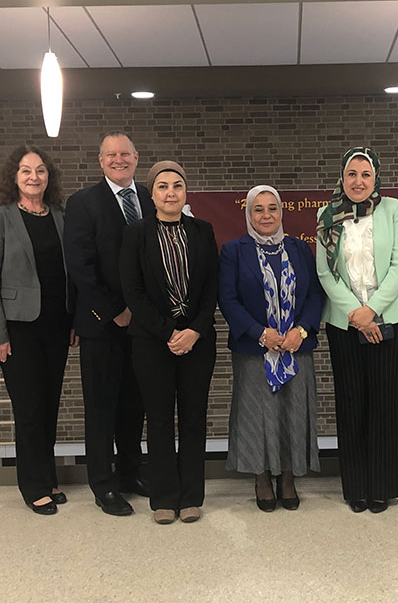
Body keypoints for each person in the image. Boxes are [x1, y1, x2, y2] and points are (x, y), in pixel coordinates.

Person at [315, 146, 398, 514]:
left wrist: (372, 311)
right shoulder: (326, 215)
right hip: (345, 323)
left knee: (385, 403)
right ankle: (356, 487)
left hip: (393, 316)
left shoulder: (393, 209)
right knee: (351, 402)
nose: (358, 181)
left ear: (376, 178)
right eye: (351, 174)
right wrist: (356, 314)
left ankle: (382, 487)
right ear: (342, 178)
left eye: (365, 175)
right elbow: (326, 273)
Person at [0, 144, 77, 515]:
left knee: (49, 405)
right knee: (29, 408)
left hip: (57, 325)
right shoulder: (0, 219)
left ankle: (47, 478)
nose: (33, 176)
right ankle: (32, 486)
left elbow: (72, 274)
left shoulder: (62, 217)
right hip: (18, 329)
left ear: (49, 177)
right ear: (14, 177)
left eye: (40, 170)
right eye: (25, 170)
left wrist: (75, 320)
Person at [120, 161, 219, 524]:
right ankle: (164, 497)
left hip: (197, 340)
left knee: (193, 419)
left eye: (177, 186)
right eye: (163, 187)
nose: (171, 192)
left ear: (185, 192)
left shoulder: (203, 231)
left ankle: (191, 496)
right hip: (152, 342)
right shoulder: (136, 233)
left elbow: (212, 287)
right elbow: (133, 291)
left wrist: (193, 330)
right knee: (159, 420)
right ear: (152, 194)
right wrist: (168, 333)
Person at [218, 185, 324, 513]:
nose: (266, 215)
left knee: (294, 411)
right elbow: (228, 298)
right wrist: (259, 333)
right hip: (254, 349)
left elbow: (315, 295)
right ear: (248, 214)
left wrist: (301, 331)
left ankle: (289, 477)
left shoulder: (299, 249)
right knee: (256, 415)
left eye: (272, 208)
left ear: (281, 213)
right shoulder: (234, 251)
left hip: (296, 347)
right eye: (258, 209)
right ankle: (262, 478)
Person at [63, 131, 151, 517]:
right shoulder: (83, 203)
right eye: (111, 155)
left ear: (136, 158)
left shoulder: (150, 198)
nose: (119, 160)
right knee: (101, 407)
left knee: (135, 404)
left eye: (125, 154)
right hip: (102, 324)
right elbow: (80, 266)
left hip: (144, 326)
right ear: (100, 161)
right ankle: (103, 484)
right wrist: (116, 309)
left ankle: (132, 472)